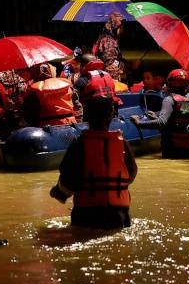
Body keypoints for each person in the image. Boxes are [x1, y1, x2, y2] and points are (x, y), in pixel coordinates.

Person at [49, 73, 138, 229]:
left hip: (87, 217)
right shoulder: (121, 142)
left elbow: (69, 180)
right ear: (112, 114)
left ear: (87, 113)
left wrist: (58, 193)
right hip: (119, 218)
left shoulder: (80, 143)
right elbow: (130, 175)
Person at [130, 68, 189, 159]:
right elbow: (182, 114)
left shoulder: (169, 100)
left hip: (174, 149)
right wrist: (158, 115)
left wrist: (139, 122)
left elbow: (161, 123)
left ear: (170, 83)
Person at [23, 63, 78, 127]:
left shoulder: (35, 89)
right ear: (52, 71)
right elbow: (77, 105)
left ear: (36, 74)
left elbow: (30, 115)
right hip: (71, 124)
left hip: (48, 127)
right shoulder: (67, 85)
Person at [92, 12, 126, 82]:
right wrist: (126, 65)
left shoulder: (106, 37)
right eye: (121, 28)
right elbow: (111, 65)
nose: (122, 30)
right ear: (115, 27)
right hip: (109, 78)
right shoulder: (109, 42)